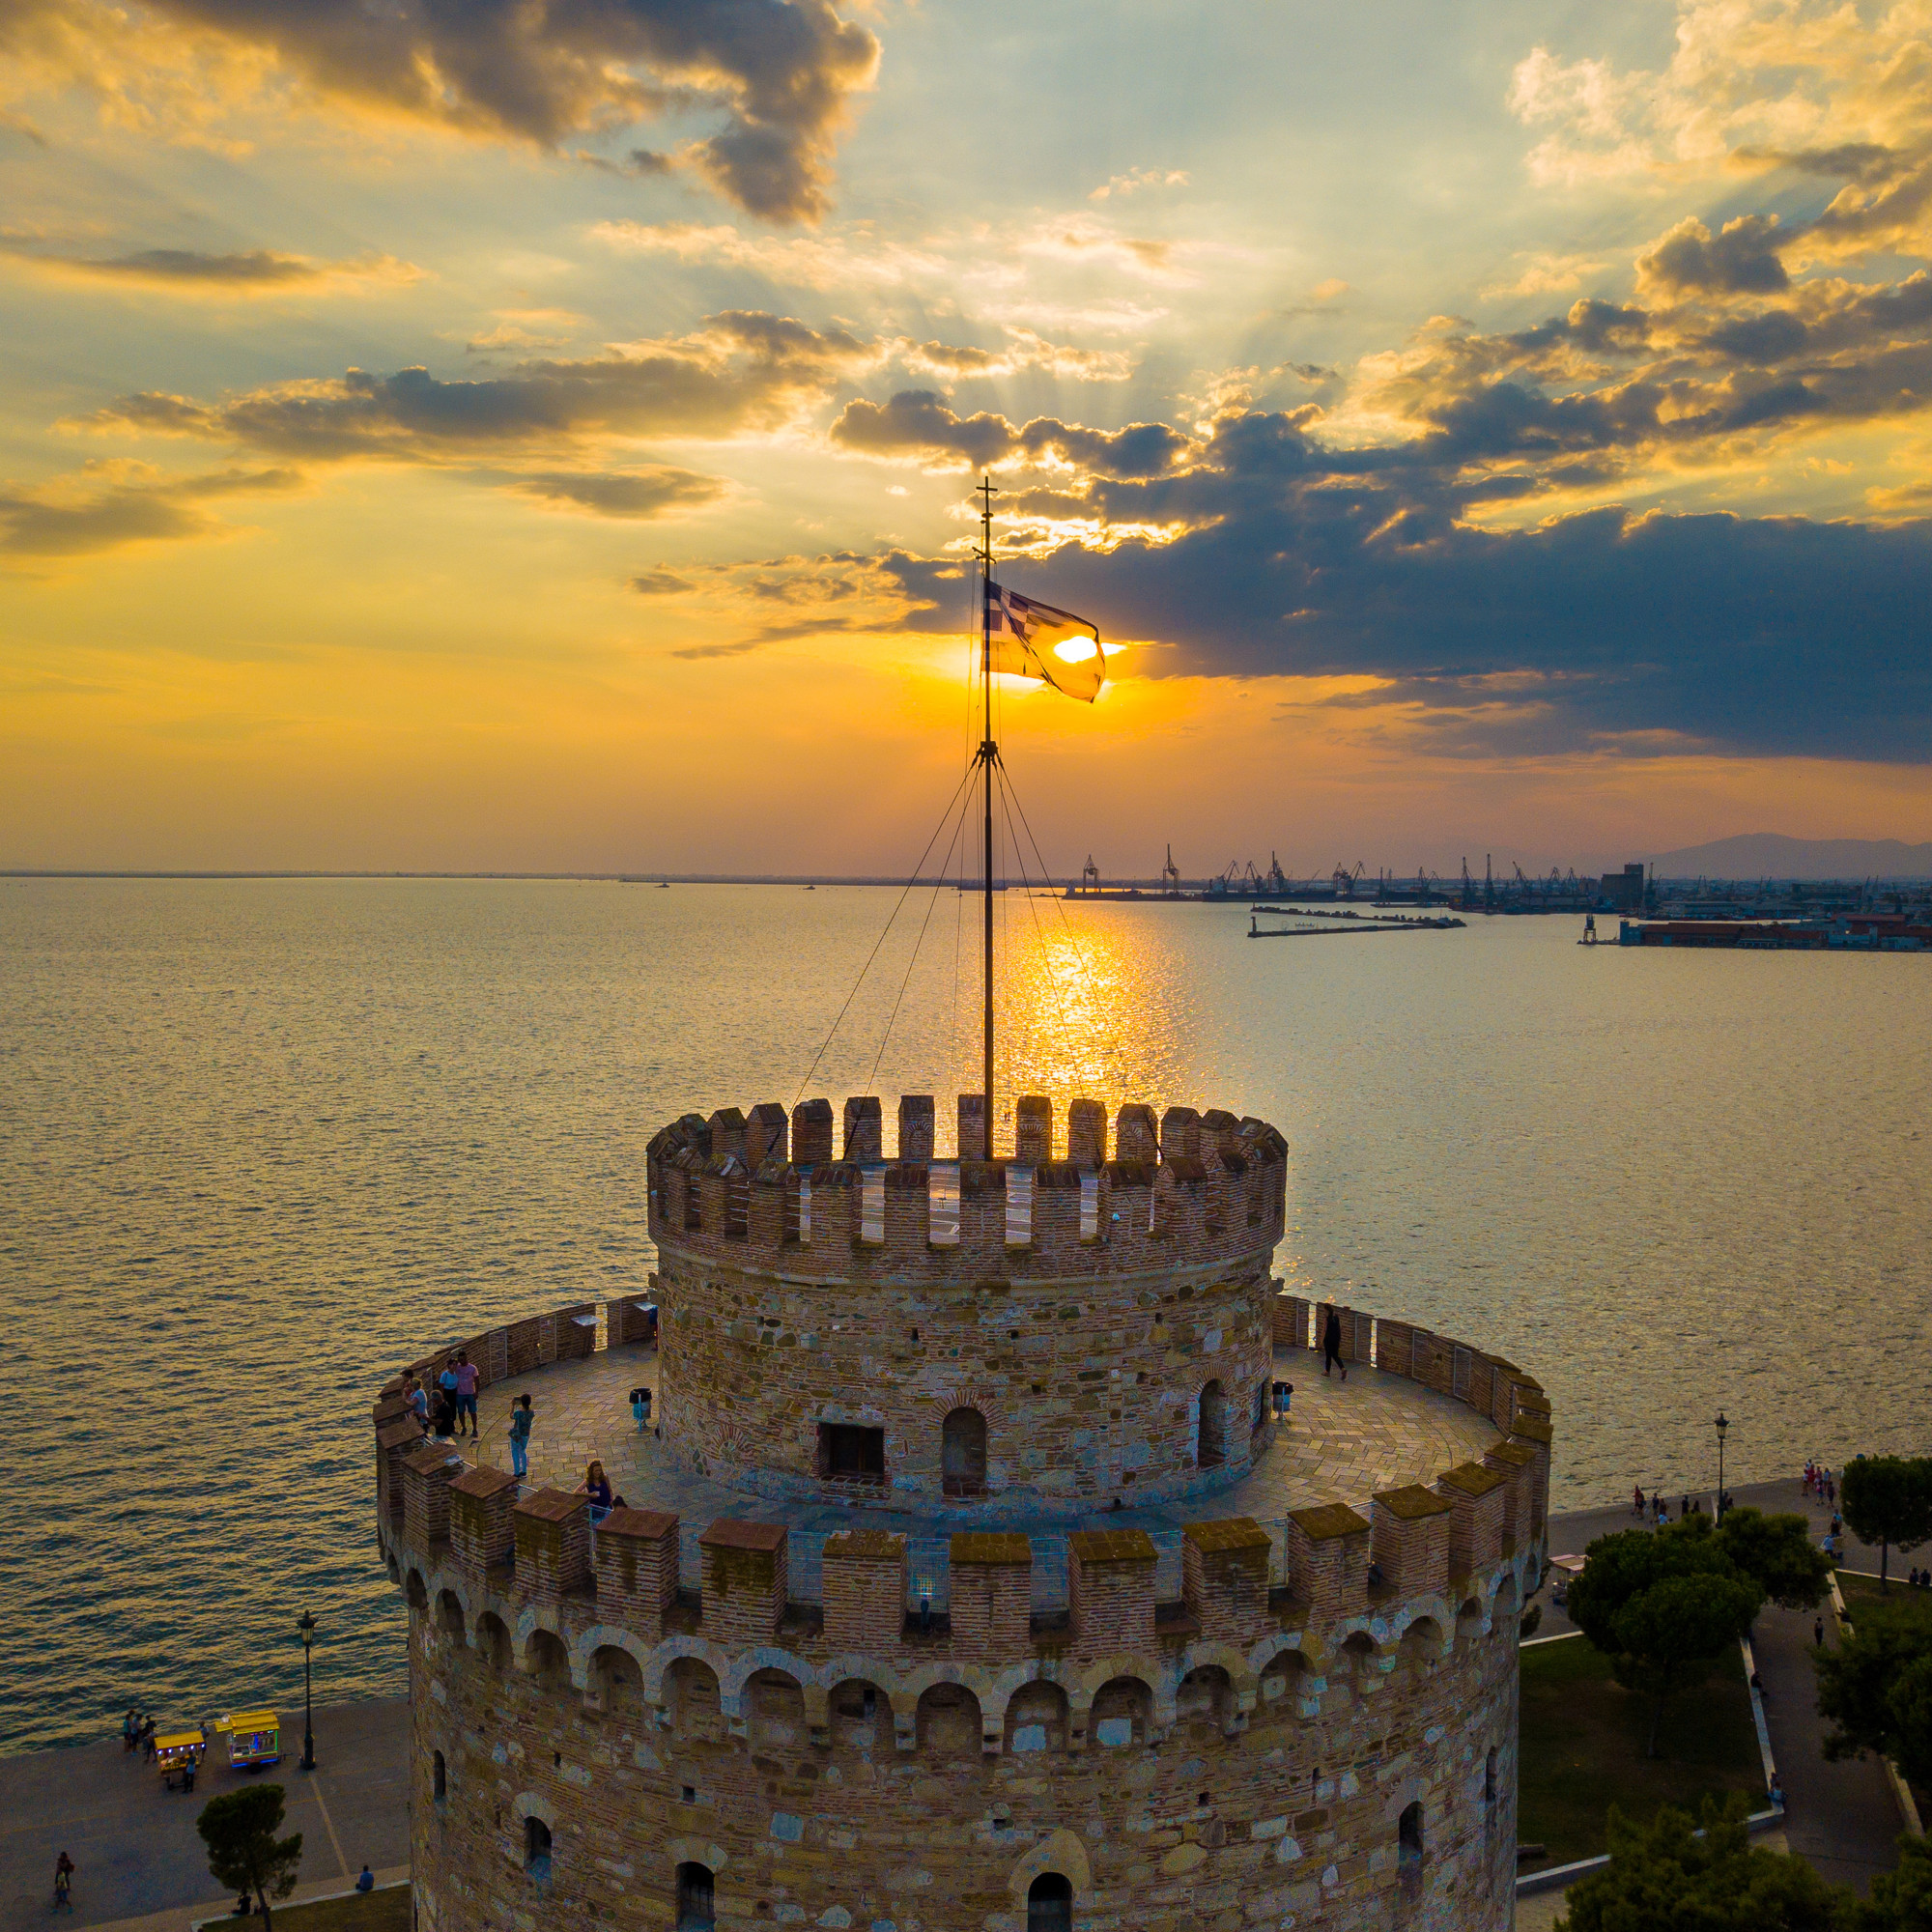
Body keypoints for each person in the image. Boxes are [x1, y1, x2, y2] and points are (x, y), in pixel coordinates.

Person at [452, 1351, 479, 1439]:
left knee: (473, 1412)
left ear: (466, 1358)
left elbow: (477, 1380)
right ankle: (464, 1427)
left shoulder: (472, 1368)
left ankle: (475, 1429)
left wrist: (476, 1392)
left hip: (470, 1393)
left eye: (463, 1359)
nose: (461, 1361)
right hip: (459, 1394)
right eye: (460, 1359)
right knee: (461, 1412)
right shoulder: (457, 1368)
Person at [509, 1393, 534, 1479]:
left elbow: (511, 1416)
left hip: (516, 1433)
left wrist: (512, 1406)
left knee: (515, 1451)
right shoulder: (531, 1412)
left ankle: (516, 1472)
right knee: (523, 1451)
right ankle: (524, 1471)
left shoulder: (518, 1413)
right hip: (526, 1434)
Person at [1321, 1306, 1347, 1381]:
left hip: (1328, 1339)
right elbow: (1340, 1328)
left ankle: (1327, 1371)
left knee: (1328, 1355)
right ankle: (1342, 1368)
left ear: (1327, 1311)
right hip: (1336, 1339)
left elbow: (1324, 1330)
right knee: (1335, 1355)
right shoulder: (1336, 1317)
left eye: (1324, 1311)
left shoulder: (1327, 1319)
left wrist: (1321, 1340)